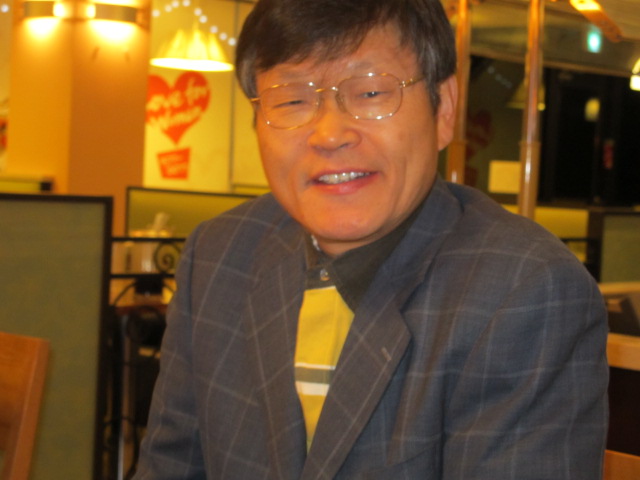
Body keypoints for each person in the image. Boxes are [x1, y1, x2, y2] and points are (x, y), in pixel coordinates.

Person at [135, 0, 609, 478]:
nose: (329, 134)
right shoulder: (220, 254)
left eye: (370, 92)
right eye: (292, 100)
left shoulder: (525, 292)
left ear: (444, 107)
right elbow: (170, 466)